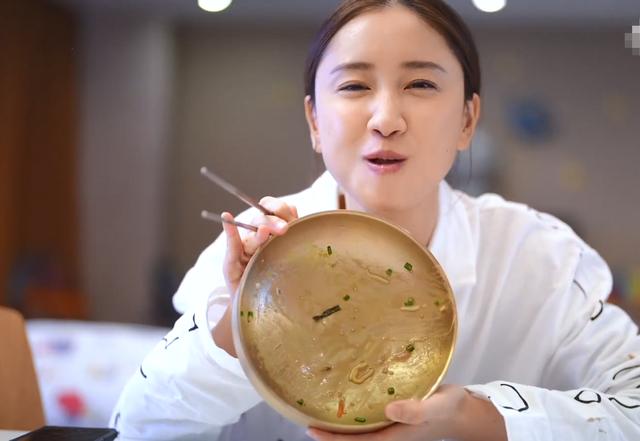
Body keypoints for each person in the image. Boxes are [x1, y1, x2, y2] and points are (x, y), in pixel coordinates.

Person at [110, 1, 640, 440]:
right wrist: (243, 321)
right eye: (354, 86)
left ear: (467, 119)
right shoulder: (247, 248)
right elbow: (136, 429)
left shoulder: (540, 258)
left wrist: (482, 420)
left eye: (421, 84)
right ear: (315, 121)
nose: (386, 119)